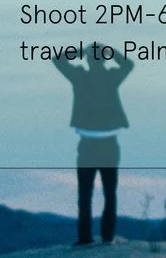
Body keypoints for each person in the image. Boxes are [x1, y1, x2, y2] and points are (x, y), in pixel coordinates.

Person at [53, 41, 133, 245]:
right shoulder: (111, 77)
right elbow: (128, 64)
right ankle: (107, 236)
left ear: (88, 60)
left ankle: (85, 237)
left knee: (85, 193)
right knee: (109, 193)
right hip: (109, 144)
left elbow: (58, 59)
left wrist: (79, 50)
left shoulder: (80, 77)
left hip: (87, 144)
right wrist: (109, 51)